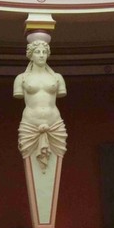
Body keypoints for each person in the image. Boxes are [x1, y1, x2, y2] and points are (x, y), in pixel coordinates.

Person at [14, 40, 67, 172]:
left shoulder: (57, 77)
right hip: (30, 124)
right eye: (37, 52)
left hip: (54, 123)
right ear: (30, 55)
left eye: (44, 52)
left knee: (54, 163)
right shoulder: (21, 78)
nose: (42, 55)